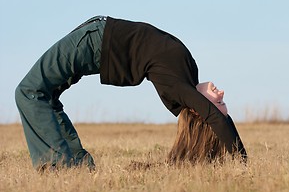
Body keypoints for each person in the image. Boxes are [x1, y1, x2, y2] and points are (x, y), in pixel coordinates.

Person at [15, 16, 247, 171]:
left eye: (220, 101)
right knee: (46, 97)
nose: (221, 92)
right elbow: (218, 118)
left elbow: (216, 118)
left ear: (200, 110)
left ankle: (59, 168)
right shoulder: (188, 74)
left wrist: (243, 161)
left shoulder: (180, 89)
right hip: (94, 39)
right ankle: (78, 167)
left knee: (29, 91)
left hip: (94, 42)